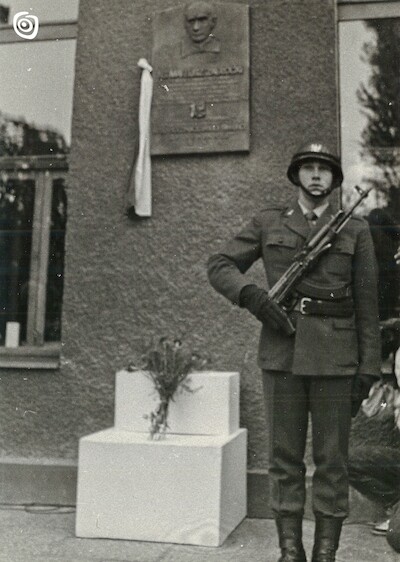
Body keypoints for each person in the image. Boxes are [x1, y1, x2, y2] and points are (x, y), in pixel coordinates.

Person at [207, 142, 381, 562]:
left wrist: (368, 368)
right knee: (284, 459)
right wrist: (252, 296)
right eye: (308, 168)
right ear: (296, 176)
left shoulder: (355, 230)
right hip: (282, 355)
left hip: (337, 359)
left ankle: (325, 552)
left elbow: (368, 305)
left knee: (331, 461)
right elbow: (220, 264)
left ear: (335, 180)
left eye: (324, 169)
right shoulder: (270, 223)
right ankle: (290, 550)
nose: (316, 175)